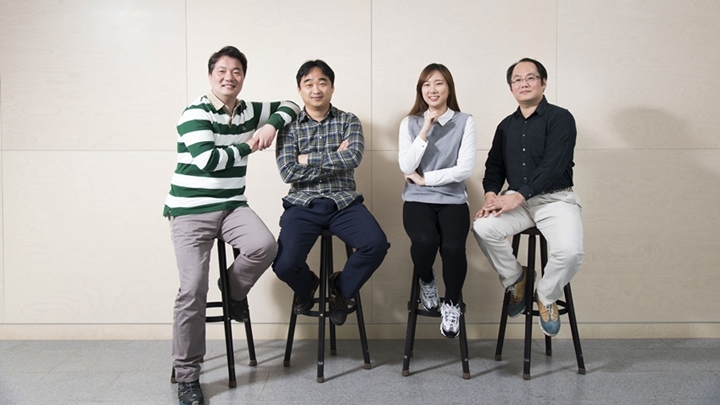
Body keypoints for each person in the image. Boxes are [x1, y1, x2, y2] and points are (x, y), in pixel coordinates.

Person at [163, 46, 300, 405]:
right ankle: (188, 376)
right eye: (222, 71)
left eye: (236, 71)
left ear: (243, 77)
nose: (229, 77)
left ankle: (232, 290)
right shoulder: (195, 113)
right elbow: (208, 160)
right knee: (192, 289)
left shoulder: (248, 110)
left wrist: (270, 124)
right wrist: (250, 144)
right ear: (211, 75)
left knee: (265, 246)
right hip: (190, 211)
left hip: (231, 207)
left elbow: (292, 104)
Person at [472, 57, 584, 337]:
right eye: (517, 80)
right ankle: (517, 278)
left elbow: (554, 165)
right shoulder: (505, 126)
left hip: (555, 199)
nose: (524, 83)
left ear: (543, 83)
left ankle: (546, 295)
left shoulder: (561, 118)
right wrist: (490, 196)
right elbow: (494, 167)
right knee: (483, 227)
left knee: (570, 252)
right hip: (517, 202)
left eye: (530, 78)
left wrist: (519, 195)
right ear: (511, 88)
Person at [273, 60, 389, 326]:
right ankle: (308, 286)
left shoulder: (349, 121)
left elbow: (353, 158)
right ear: (299, 89)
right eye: (309, 83)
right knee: (284, 265)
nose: (316, 89)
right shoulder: (289, 127)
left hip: (344, 202)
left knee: (376, 245)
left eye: (322, 82)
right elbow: (288, 172)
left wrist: (306, 159)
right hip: (302, 204)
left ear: (332, 87)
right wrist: (334, 158)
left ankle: (341, 289)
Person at [398, 63, 476, 338]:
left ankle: (451, 303)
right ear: (420, 90)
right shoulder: (410, 123)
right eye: (426, 84)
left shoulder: (464, 121)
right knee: (425, 241)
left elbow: (464, 169)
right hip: (417, 200)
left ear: (449, 88)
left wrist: (425, 179)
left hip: (453, 199)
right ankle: (427, 280)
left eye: (439, 83)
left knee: (453, 248)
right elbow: (406, 165)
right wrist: (424, 130)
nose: (432, 89)